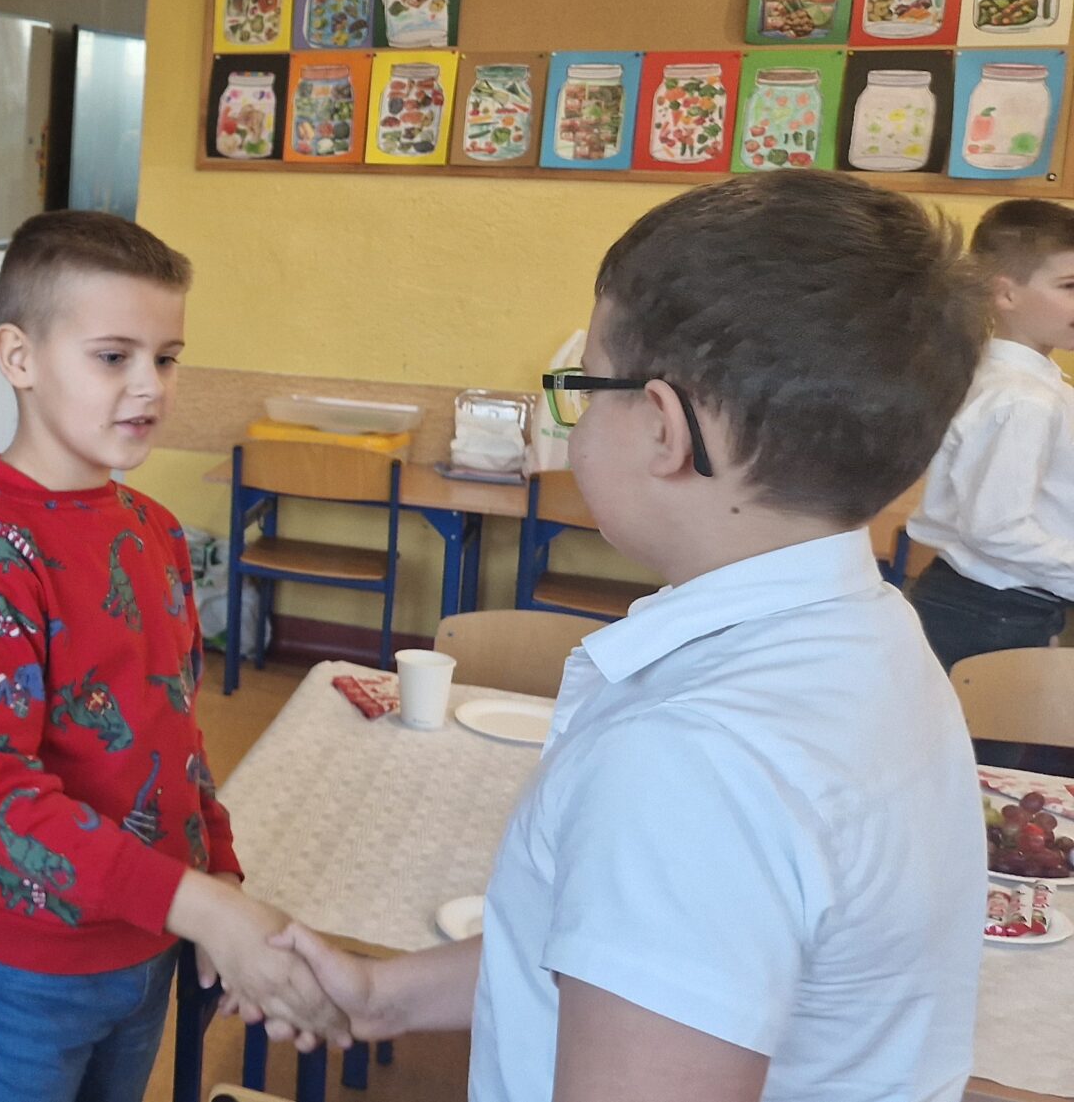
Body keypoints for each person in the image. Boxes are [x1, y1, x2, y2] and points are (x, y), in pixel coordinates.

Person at [271, 172, 987, 1101]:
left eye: (583, 388)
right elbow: (635, 954)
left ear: (660, 426)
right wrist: (383, 996)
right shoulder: (872, 635)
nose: (575, 423)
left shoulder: (692, 762)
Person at [0, 209, 340, 1102]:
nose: (149, 385)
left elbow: (174, 732)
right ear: (19, 357)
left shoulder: (156, 530)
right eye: (113, 356)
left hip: (148, 934)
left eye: (166, 357)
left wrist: (218, 871)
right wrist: (204, 905)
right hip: (20, 964)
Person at [907, 198, 1074, 669]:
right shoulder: (1022, 400)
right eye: (1070, 286)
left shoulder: (1017, 383)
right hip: (991, 608)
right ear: (1006, 294)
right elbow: (996, 528)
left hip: (995, 602)